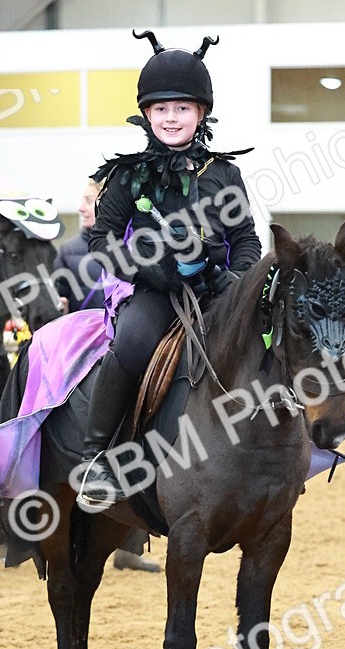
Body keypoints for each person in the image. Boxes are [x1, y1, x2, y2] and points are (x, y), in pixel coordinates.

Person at [79, 30, 261, 505]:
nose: (171, 118)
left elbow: (245, 240)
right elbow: (99, 239)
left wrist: (235, 283)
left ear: (201, 113)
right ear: (146, 115)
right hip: (157, 294)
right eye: (160, 109)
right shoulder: (127, 175)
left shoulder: (224, 173)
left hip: (218, 292)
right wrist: (148, 269)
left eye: (182, 108)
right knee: (132, 346)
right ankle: (96, 456)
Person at [55, 178, 161, 572]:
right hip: (97, 330)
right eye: (82, 200)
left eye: (89, 199)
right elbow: (56, 295)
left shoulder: (135, 228)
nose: (83, 206)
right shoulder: (68, 251)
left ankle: (131, 540)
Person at [51, 180, 105, 312]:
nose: (81, 208)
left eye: (89, 201)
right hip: (82, 332)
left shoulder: (129, 247)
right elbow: (58, 299)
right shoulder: (67, 251)